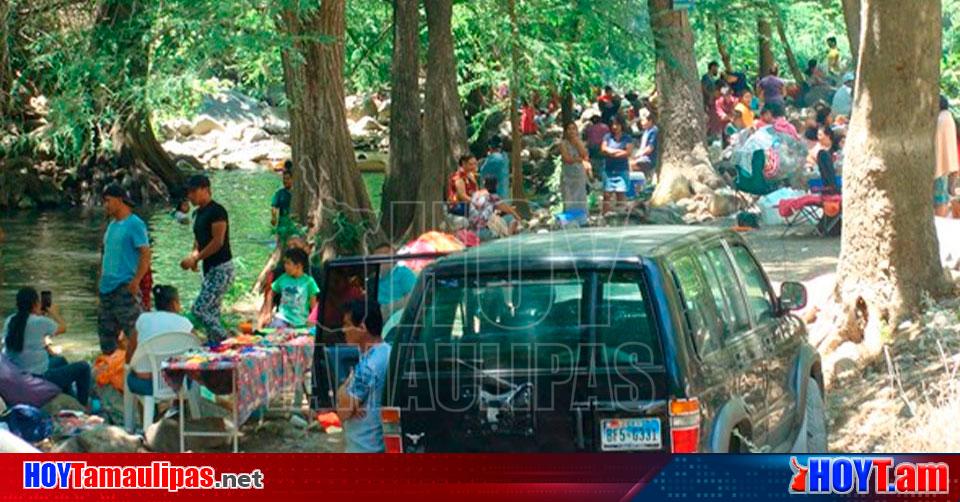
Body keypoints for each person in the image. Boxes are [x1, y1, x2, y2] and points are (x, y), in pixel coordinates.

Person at [4, 288, 91, 406]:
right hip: (39, 379)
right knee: (84, 367)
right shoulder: (40, 322)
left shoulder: (10, 321)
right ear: (35, 304)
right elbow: (63, 327)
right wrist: (54, 312)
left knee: (60, 360)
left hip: (17, 375)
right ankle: (83, 405)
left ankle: (69, 396)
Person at [180, 174, 235, 344]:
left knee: (199, 309)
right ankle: (216, 347)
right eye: (188, 193)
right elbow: (199, 239)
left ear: (205, 189)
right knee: (212, 311)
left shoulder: (217, 211)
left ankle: (226, 338)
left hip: (222, 268)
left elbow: (217, 241)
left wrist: (197, 257)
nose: (190, 196)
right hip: (209, 269)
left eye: (193, 192)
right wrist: (194, 257)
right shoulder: (198, 214)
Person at [98, 184, 151, 355]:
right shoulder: (112, 225)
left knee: (135, 331)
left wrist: (136, 280)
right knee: (106, 335)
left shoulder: (135, 224)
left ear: (120, 200)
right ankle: (112, 369)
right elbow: (106, 253)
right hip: (106, 288)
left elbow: (145, 254)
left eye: (108, 201)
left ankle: (143, 367)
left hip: (124, 286)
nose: (105, 205)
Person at [336, 298, 391, 453]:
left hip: (364, 448)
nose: (343, 330)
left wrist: (344, 390)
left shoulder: (369, 366)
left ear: (362, 327)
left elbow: (342, 412)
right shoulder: (384, 352)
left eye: (347, 324)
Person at [125, 285, 195, 396]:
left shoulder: (143, 319)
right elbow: (197, 351)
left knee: (131, 375)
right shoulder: (185, 324)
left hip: (145, 383)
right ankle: (179, 406)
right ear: (174, 304)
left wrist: (130, 366)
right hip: (178, 383)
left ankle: (147, 411)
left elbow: (129, 353)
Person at [263, 248, 320, 329]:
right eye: (285, 263)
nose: (285, 266)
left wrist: (313, 321)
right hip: (282, 319)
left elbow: (313, 305)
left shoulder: (309, 282)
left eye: (288, 263)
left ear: (298, 266)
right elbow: (270, 293)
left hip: (301, 323)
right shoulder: (283, 278)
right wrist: (268, 312)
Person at [600, 115, 633, 214]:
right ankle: (605, 215)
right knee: (606, 195)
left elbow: (628, 152)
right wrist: (618, 151)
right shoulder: (607, 137)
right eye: (613, 124)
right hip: (609, 170)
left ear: (621, 125)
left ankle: (621, 215)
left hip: (622, 169)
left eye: (617, 124)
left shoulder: (627, 138)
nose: (615, 127)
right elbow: (603, 149)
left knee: (621, 194)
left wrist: (611, 152)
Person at [559, 121, 592, 212]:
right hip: (568, 174)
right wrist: (577, 159)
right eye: (569, 129)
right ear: (565, 131)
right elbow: (567, 159)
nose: (571, 131)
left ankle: (581, 218)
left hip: (579, 174)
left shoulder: (579, 142)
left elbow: (584, 155)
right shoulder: (563, 143)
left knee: (580, 196)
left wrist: (577, 142)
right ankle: (569, 218)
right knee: (568, 197)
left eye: (573, 129)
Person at [935, 95, 959, 217]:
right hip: (946, 164)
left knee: (939, 197)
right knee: (943, 194)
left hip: (938, 164)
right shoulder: (948, 117)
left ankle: (940, 221)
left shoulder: (940, 119)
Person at [813, 126, 841, 195]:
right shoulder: (817, 149)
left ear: (827, 136)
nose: (818, 137)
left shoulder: (834, 150)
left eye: (820, 135)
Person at [634, 109, 659, 180]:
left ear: (650, 121)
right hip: (642, 158)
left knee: (630, 165)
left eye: (643, 121)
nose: (642, 123)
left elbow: (650, 148)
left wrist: (640, 154)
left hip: (649, 159)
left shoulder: (654, 131)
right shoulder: (646, 132)